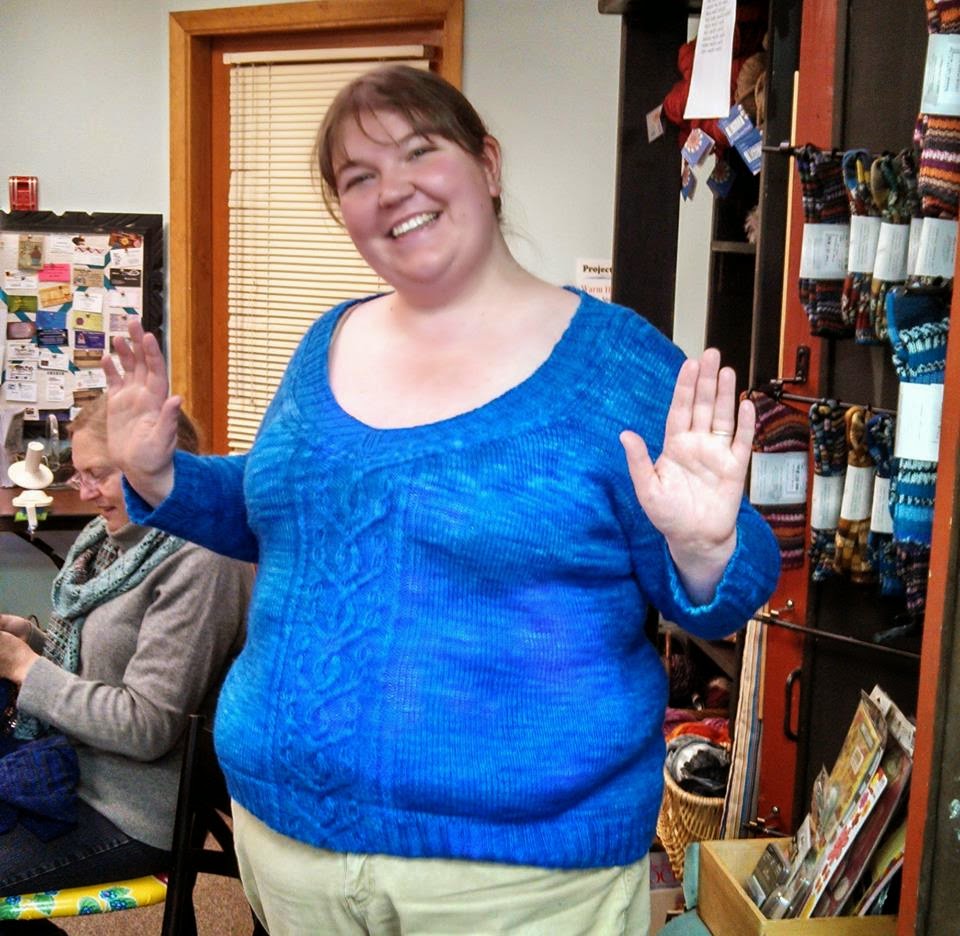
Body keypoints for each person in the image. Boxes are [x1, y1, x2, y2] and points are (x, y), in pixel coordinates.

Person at [104, 65, 780, 935]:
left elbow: (730, 585)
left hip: (515, 877)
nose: (393, 190)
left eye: (420, 152)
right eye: (358, 176)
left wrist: (704, 549)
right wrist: (160, 476)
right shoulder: (325, 343)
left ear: (487, 165)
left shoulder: (617, 368)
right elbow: (284, 510)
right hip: (286, 843)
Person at [0, 395, 253, 906]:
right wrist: (28, 641)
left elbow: (146, 726)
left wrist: (25, 668)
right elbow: (102, 670)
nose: (84, 492)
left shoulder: (202, 560)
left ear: (155, 464)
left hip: (126, 810)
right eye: (78, 474)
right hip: (65, 769)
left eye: (98, 474)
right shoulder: (110, 539)